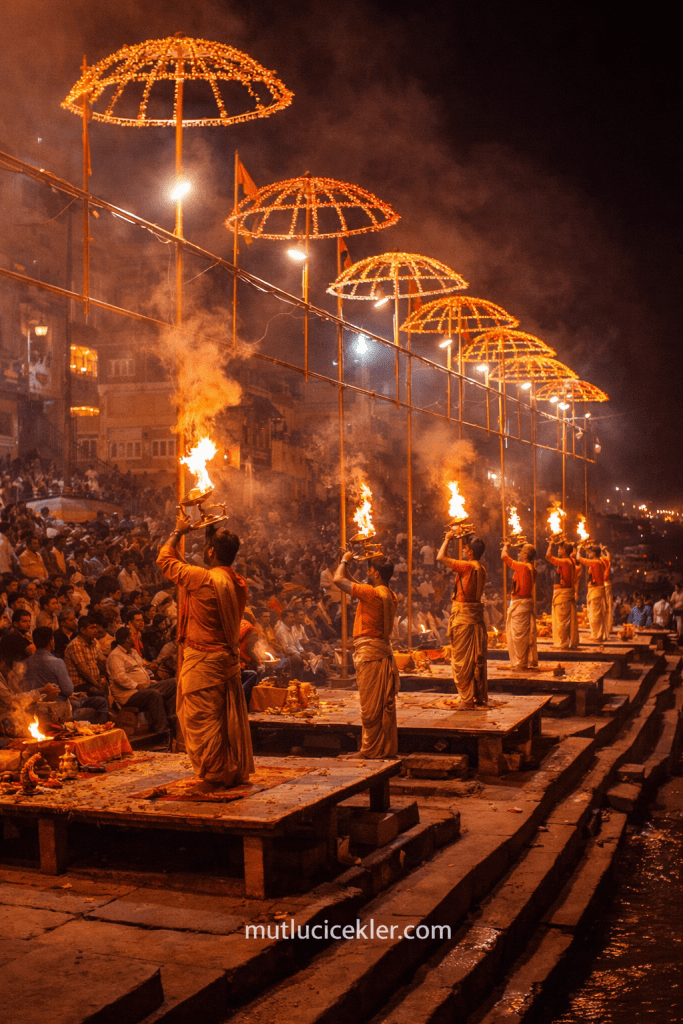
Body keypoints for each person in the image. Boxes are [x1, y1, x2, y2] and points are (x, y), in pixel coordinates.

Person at [157, 518, 253, 791]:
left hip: (203, 662)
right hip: (225, 661)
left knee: (203, 721)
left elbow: (165, 559)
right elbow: (192, 568)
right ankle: (228, 770)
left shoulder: (202, 578)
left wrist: (178, 531)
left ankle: (214, 775)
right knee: (221, 720)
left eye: (206, 548)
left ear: (211, 552)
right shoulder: (238, 582)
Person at [334, 551, 400, 757]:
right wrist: (349, 567)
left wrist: (344, 560)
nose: (367, 574)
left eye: (369, 571)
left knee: (370, 706)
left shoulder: (371, 594)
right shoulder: (390, 595)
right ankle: (381, 747)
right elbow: (355, 584)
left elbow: (338, 580)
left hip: (370, 654)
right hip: (380, 651)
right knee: (380, 704)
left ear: (377, 574)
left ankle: (370, 749)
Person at [436, 530, 488, 708]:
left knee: (463, 660)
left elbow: (441, 557)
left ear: (470, 552)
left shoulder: (467, 567)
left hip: (464, 617)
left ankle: (466, 699)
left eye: (465, 548)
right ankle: (476, 696)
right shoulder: (482, 569)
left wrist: (448, 539)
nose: (464, 551)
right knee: (474, 659)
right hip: (474, 617)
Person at [24, 627, 110, 723]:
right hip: (59, 709)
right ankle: (102, 727)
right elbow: (68, 690)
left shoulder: (25, 663)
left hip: (34, 708)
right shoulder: (57, 662)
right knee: (101, 702)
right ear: (51, 642)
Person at [106, 626, 175, 735]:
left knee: (174, 683)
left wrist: (150, 678)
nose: (137, 637)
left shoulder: (133, 652)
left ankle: (173, 720)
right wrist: (136, 685)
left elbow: (142, 668)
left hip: (145, 687)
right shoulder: (115, 655)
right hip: (128, 694)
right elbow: (119, 677)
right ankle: (162, 731)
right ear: (127, 639)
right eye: (134, 636)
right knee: (154, 694)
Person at [501, 541, 538, 669]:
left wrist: (506, 545)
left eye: (521, 552)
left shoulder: (523, 567)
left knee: (519, 637)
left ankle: (521, 663)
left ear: (526, 555)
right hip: (522, 605)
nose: (519, 554)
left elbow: (504, 557)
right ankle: (521, 662)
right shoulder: (532, 569)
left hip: (520, 605)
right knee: (521, 636)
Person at [546, 539, 578, 650]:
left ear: (564, 551)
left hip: (563, 595)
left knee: (562, 621)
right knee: (561, 620)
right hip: (562, 594)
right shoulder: (569, 560)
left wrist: (550, 545)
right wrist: (562, 541)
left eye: (559, 549)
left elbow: (548, 556)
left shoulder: (566, 562)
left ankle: (562, 644)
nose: (558, 550)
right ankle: (561, 642)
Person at [64, 615, 107, 696]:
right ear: (83, 630)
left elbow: (101, 662)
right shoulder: (76, 645)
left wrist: (102, 678)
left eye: (96, 627)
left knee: (106, 686)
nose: (96, 630)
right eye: (92, 628)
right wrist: (97, 684)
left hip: (92, 682)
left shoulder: (93, 643)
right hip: (80, 685)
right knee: (98, 692)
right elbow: (83, 670)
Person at [578, 544, 609, 642]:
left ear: (594, 553)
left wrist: (578, 549)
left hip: (596, 591)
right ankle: (595, 634)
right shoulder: (598, 561)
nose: (589, 554)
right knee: (593, 613)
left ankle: (596, 635)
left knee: (595, 614)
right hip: (595, 590)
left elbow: (580, 559)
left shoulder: (596, 562)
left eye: (590, 552)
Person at [600, 546, 613, 634]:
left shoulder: (602, 561)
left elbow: (607, 556)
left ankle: (606, 628)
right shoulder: (605, 560)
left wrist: (602, 550)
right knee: (606, 607)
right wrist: (603, 550)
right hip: (605, 585)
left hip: (605, 586)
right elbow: (607, 556)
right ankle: (606, 628)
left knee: (605, 607)